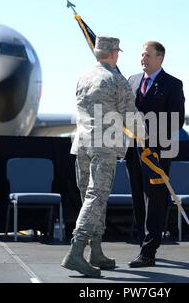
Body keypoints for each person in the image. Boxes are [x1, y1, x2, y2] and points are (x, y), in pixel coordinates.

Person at [61, 36, 141, 277]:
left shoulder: (83, 77)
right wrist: (145, 136)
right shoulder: (116, 79)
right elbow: (131, 116)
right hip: (104, 146)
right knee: (97, 198)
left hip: (82, 145)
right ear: (115, 53)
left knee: (92, 198)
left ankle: (96, 251)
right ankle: (76, 251)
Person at [126, 41, 185, 268]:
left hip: (157, 152)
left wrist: (149, 131)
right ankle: (143, 243)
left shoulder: (172, 84)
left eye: (148, 55)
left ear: (160, 58)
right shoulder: (131, 81)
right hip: (133, 150)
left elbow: (177, 120)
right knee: (138, 198)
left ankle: (150, 250)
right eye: (142, 55)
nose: (143, 59)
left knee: (156, 199)